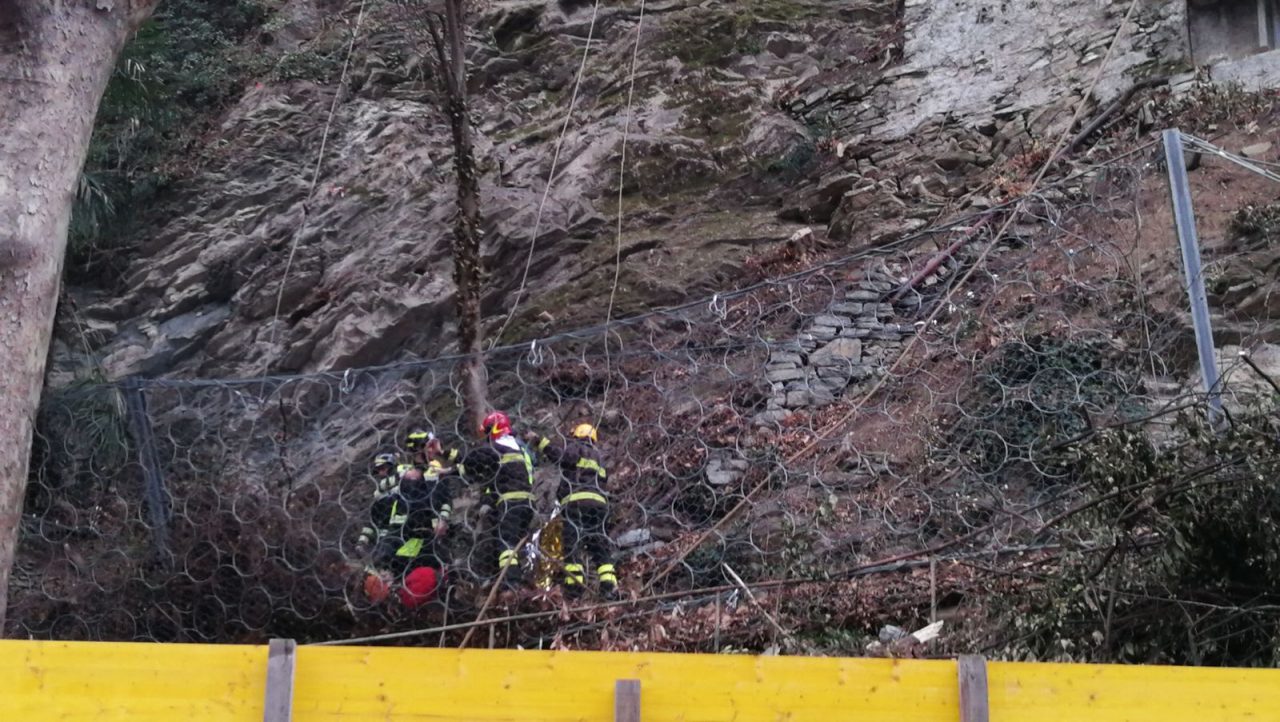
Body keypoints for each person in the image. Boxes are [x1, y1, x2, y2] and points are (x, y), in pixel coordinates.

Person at [527, 422, 619, 599]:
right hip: (599, 505)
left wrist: (539, 441)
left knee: (572, 545)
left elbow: (560, 456)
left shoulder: (577, 448)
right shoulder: (599, 457)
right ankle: (609, 586)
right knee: (598, 545)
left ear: (577, 435)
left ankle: (574, 588)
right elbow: (604, 480)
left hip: (577, 503)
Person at [445, 411, 535, 588]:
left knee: (506, 543)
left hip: (511, 502)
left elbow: (474, 459)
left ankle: (511, 584)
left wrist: (445, 453)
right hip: (526, 502)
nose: (486, 437)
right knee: (516, 544)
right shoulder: (520, 448)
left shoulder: (500, 445)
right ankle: (518, 581)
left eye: (487, 431)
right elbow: (490, 475)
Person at [361, 465, 451, 610]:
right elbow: (376, 509)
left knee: (430, 572)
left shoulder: (429, 497)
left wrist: (442, 520)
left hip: (418, 546)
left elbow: (443, 503)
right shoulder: (392, 501)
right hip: (400, 545)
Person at [357, 450, 403, 552]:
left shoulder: (404, 482)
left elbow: (403, 475)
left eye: (382, 468)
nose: (380, 472)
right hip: (386, 536)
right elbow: (371, 520)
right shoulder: (379, 495)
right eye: (378, 470)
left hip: (405, 529)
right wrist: (362, 541)